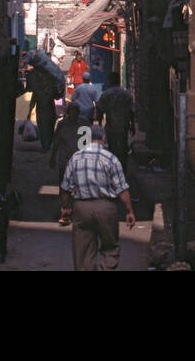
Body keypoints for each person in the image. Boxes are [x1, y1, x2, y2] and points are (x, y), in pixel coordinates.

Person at [61, 124, 136, 271]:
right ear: (103, 138)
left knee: (82, 251)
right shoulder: (110, 158)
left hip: (82, 208)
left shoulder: (75, 158)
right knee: (109, 248)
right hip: (106, 208)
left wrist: (65, 208)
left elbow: (65, 188)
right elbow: (121, 188)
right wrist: (129, 211)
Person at [50, 104, 82, 225]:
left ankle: (77, 211)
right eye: (71, 111)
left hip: (78, 161)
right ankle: (65, 210)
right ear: (68, 112)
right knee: (64, 188)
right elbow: (57, 141)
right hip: (64, 160)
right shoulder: (62, 124)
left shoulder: (83, 124)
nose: (73, 114)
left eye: (75, 111)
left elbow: (88, 142)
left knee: (78, 187)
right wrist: (53, 157)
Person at [96, 84, 135, 170]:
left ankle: (113, 167)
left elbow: (100, 109)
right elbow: (131, 111)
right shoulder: (126, 94)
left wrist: (99, 122)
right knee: (123, 147)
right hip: (123, 126)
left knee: (112, 147)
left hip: (111, 126)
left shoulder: (106, 94)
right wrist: (133, 124)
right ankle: (123, 168)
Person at [25, 52, 57, 149]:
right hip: (48, 108)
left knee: (44, 126)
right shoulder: (49, 81)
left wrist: (29, 113)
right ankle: (46, 144)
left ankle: (45, 144)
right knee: (48, 125)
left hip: (43, 108)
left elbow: (33, 99)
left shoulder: (38, 88)